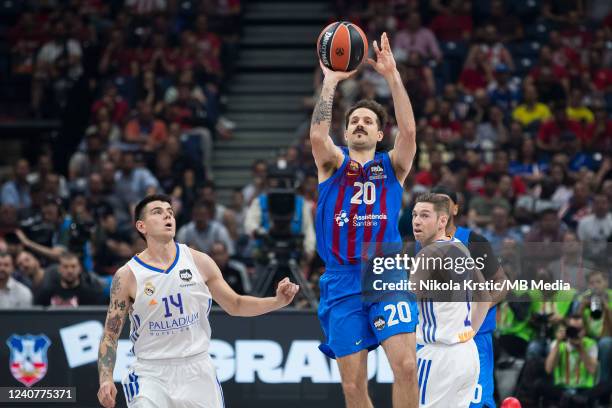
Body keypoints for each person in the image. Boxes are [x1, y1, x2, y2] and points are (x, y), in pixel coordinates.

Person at [97, 194, 299, 408]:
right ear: (142, 225)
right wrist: (106, 378)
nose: (167, 215)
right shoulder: (127, 275)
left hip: (197, 370)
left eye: (170, 212)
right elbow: (110, 334)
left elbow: (236, 304)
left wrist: (277, 301)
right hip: (150, 372)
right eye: (158, 212)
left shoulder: (199, 261)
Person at [310, 33, 419, 407]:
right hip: (341, 278)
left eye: (367, 121)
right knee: (354, 387)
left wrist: (392, 76)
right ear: (346, 131)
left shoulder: (392, 166)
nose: (358, 124)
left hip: (385, 271)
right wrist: (330, 80)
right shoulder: (332, 164)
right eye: (353, 120)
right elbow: (316, 133)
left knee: (405, 366)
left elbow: (409, 132)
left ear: (378, 133)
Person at [430, 185, 508, 408]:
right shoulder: (419, 245)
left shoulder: (474, 241)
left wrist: (482, 307)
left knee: (475, 401)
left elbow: (502, 283)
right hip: (435, 338)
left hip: (472, 337)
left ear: (455, 209)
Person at [411, 193, 491, 407]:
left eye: (425, 215)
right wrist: (470, 332)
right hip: (467, 353)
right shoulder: (460, 248)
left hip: (439, 355)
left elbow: (406, 300)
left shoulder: (427, 256)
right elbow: (484, 295)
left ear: (442, 221)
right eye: (415, 215)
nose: (417, 221)